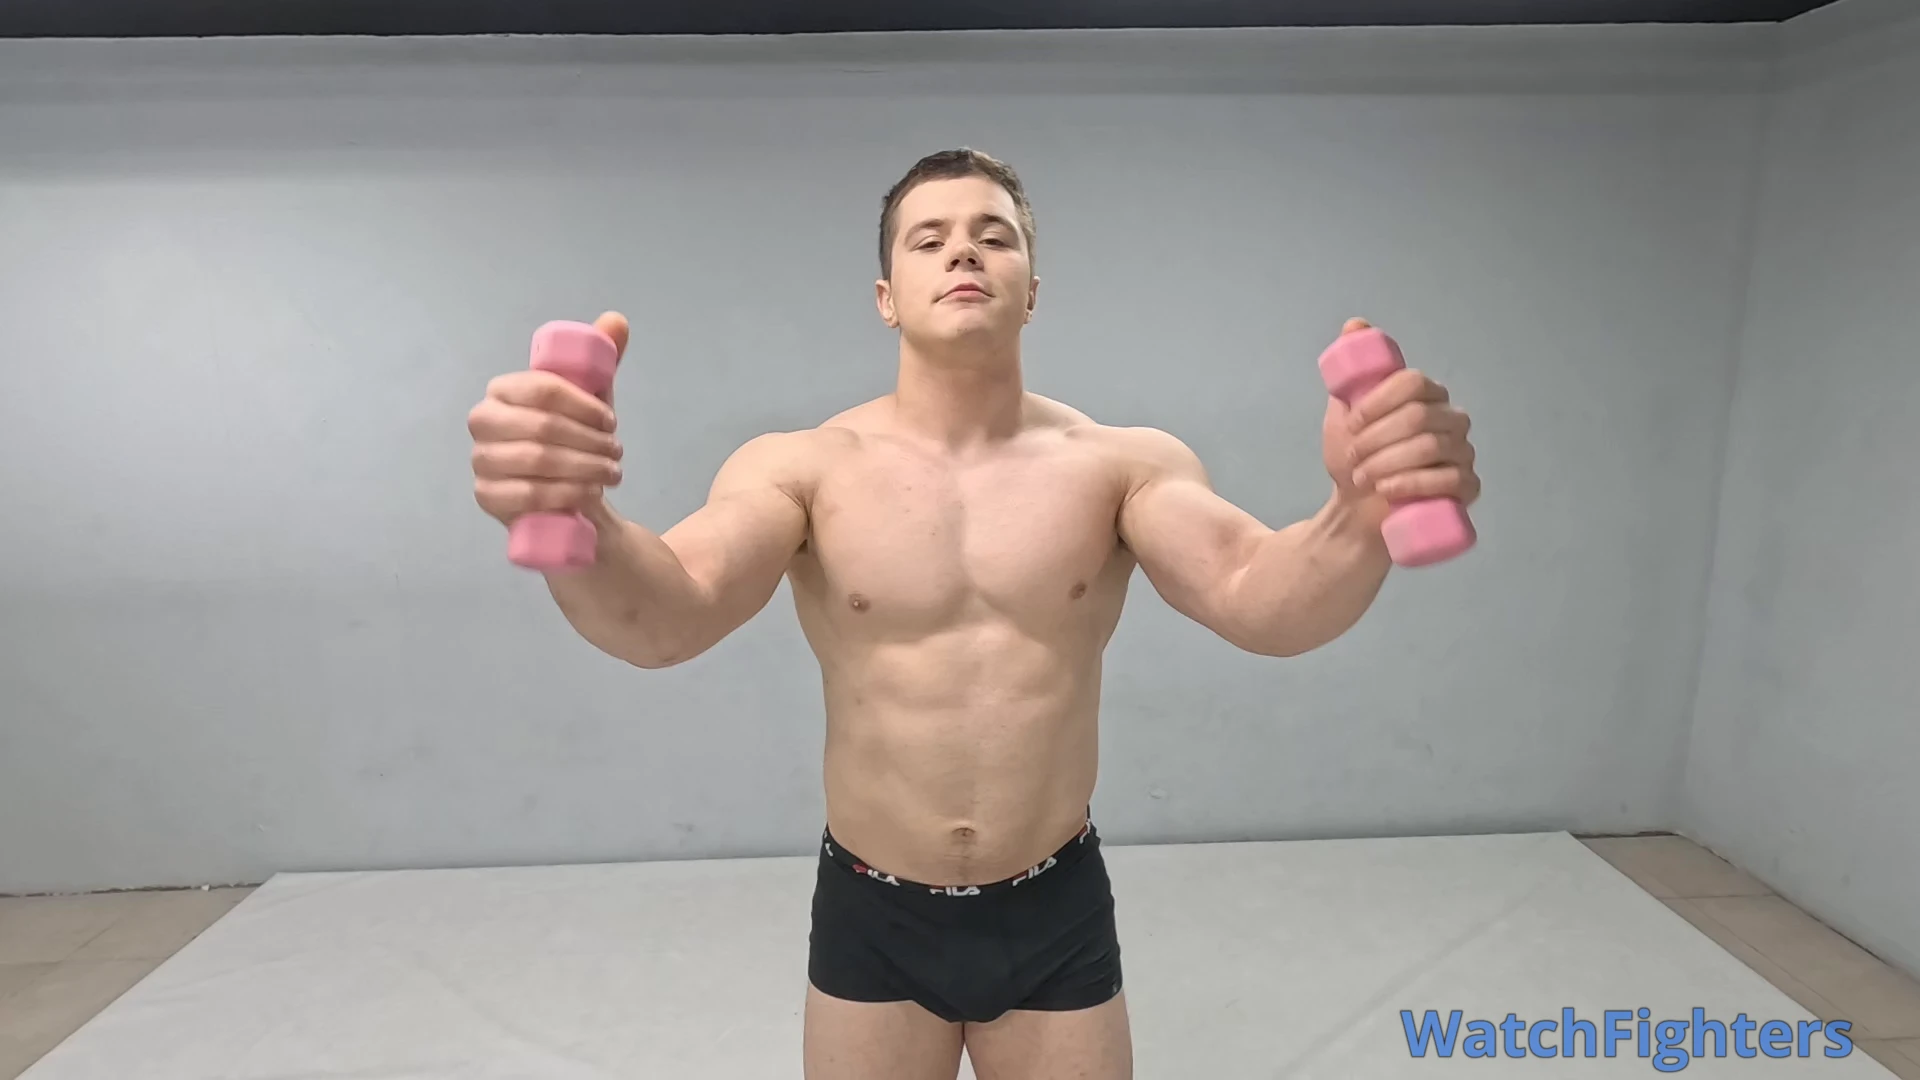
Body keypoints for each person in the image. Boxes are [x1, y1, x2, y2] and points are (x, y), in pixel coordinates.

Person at [466, 148, 1480, 1080]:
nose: (963, 251)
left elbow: (1261, 599)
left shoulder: (1121, 465)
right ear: (886, 297)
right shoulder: (802, 468)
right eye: (929, 239)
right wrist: (577, 519)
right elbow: (669, 615)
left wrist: (1361, 511)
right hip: (873, 911)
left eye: (994, 235)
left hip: (1052, 904)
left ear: (1031, 289)